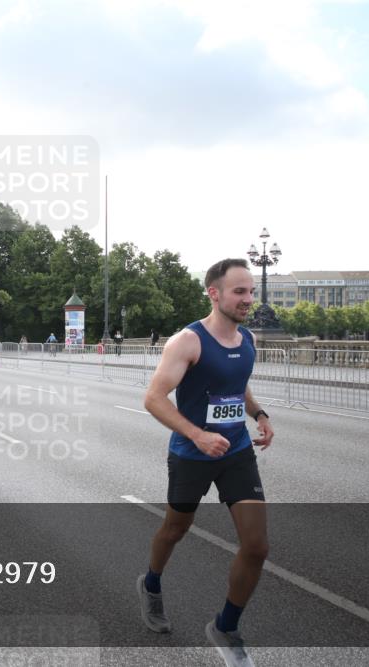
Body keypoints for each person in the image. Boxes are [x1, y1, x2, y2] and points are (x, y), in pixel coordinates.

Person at [139, 258, 273, 667]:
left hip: (235, 452)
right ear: (214, 293)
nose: (249, 299)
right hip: (192, 455)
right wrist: (197, 434)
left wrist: (259, 414)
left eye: (251, 291)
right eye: (239, 291)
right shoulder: (188, 342)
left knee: (256, 545)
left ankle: (226, 626)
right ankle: (151, 583)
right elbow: (154, 399)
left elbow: (237, 385)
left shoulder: (246, 339)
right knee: (175, 528)